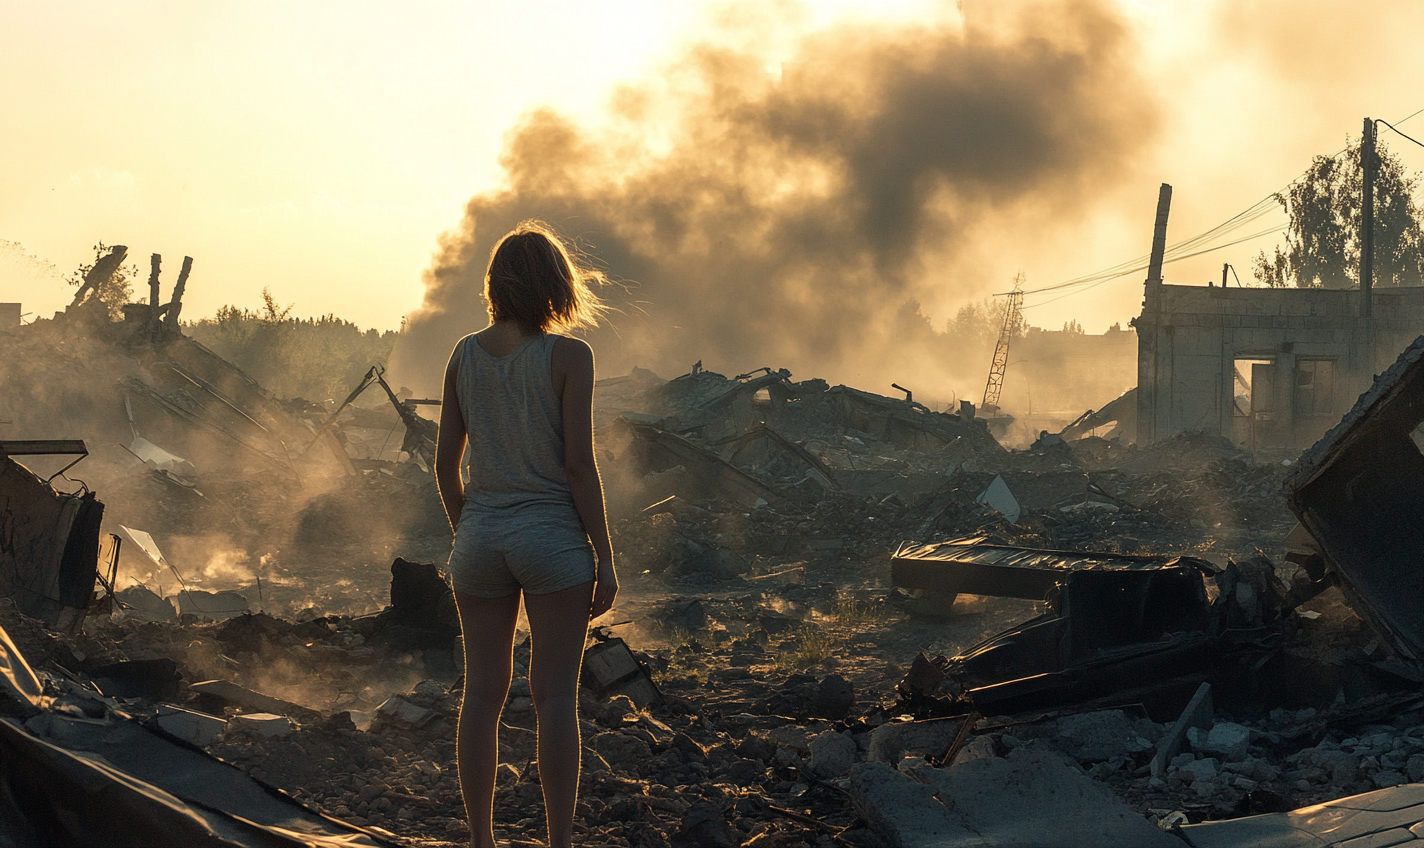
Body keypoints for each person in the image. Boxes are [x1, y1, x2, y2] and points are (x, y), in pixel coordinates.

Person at [434, 220, 617, 848]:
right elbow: (576, 466)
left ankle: (482, 841)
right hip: (553, 543)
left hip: (480, 541)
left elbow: (444, 465)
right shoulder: (569, 357)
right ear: (554, 285)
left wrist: (472, 531)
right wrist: (604, 555)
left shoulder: (463, 354)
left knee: (481, 696)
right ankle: (558, 842)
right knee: (554, 700)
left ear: (496, 284)